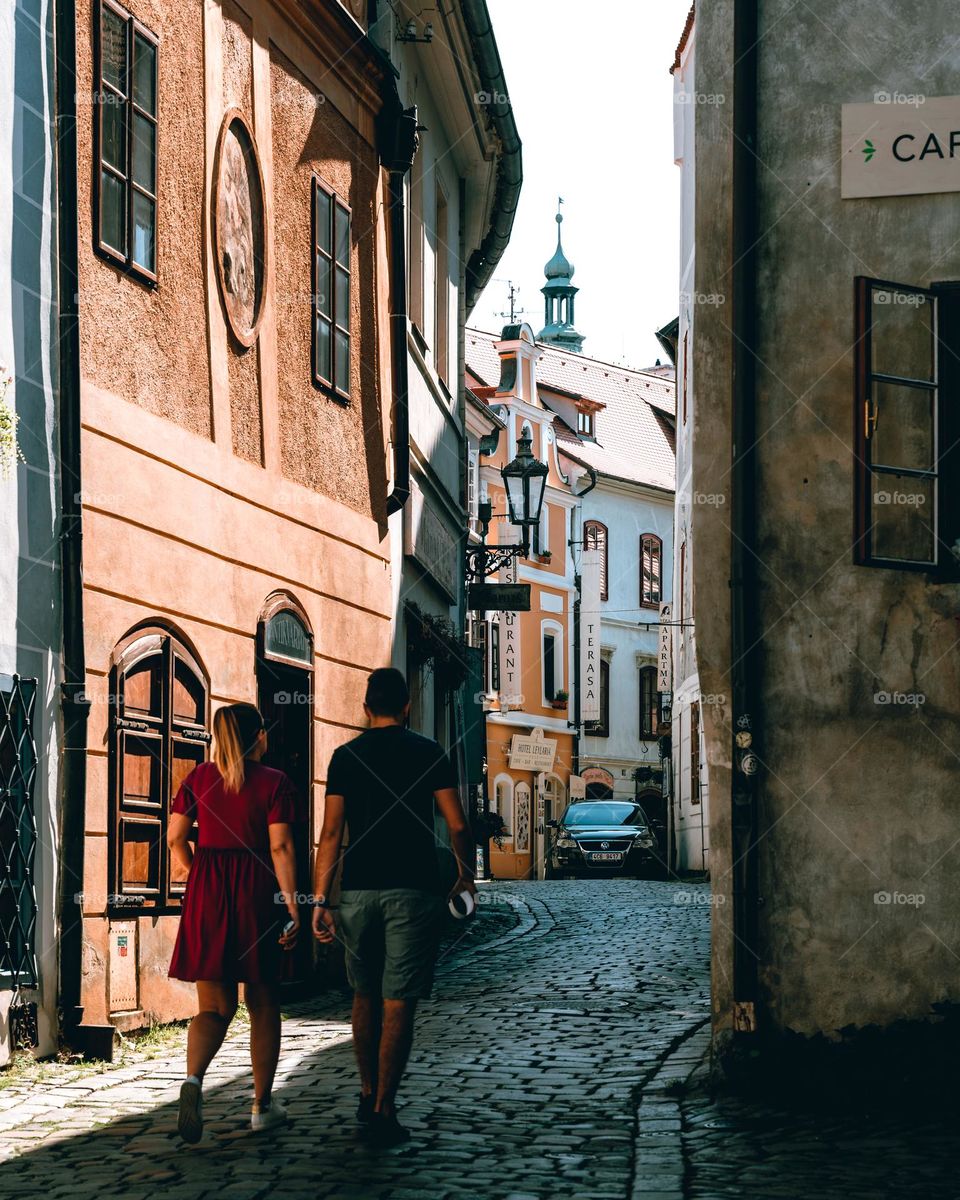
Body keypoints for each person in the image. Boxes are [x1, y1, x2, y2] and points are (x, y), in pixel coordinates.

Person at [312, 667, 476, 1147]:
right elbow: (457, 824)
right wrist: (465, 874)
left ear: (366, 709)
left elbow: (331, 834)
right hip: (414, 890)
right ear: (407, 707)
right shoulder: (428, 753)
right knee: (398, 999)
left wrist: (322, 898)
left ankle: (366, 1092)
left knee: (363, 995)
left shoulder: (344, 758)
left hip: (358, 891)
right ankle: (385, 1107)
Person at [167, 702, 300, 1143]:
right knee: (263, 1003)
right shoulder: (275, 782)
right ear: (258, 735)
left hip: (208, 892)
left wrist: (195, 867)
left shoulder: (199, 777)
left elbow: (173, 837)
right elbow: (280, 848)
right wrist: (293, 904)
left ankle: (193, 1082)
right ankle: (262, 1105)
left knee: (213, 1008)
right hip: (256, 892)